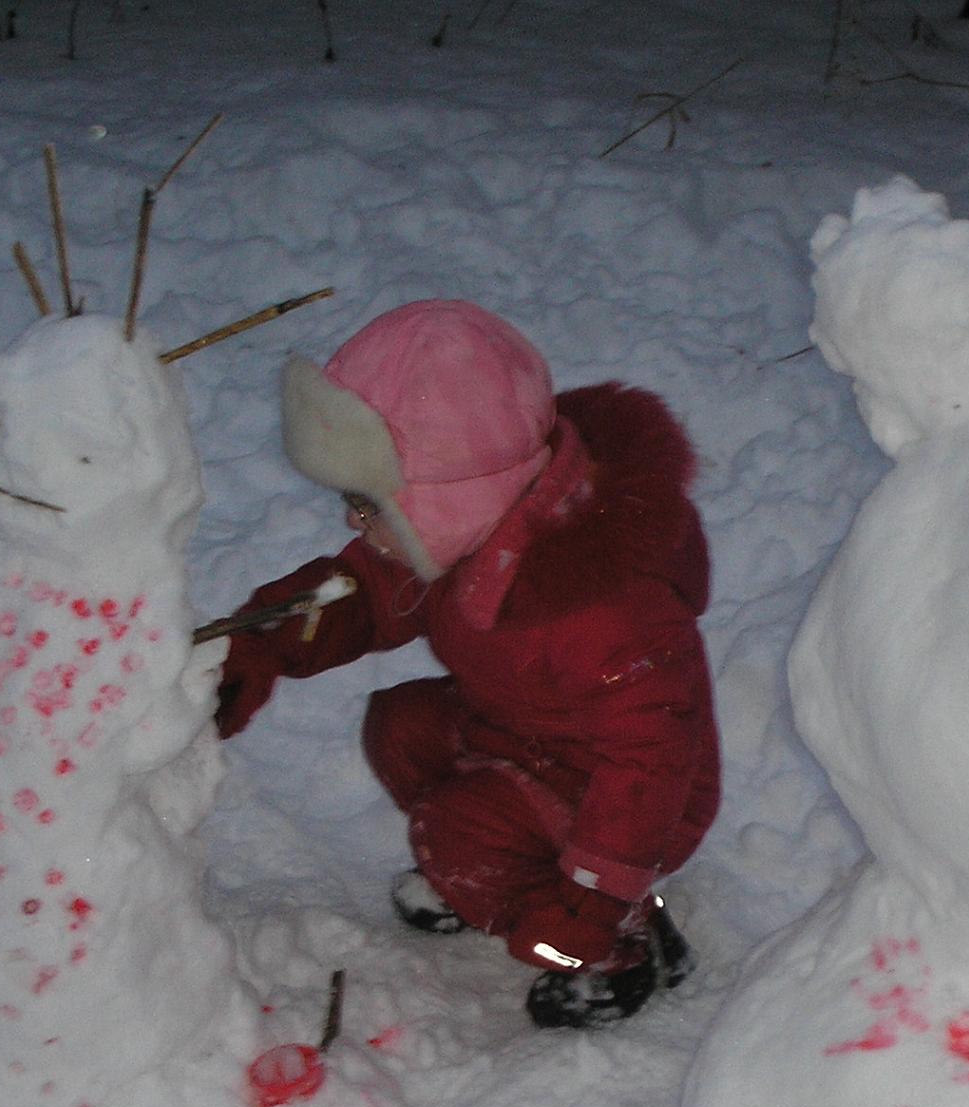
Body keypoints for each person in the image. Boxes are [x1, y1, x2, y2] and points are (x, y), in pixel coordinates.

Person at [216, 300, 719, 1029]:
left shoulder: (606, 611)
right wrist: (255, 641)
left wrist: (596, 899)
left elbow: (650, 760)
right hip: (528, 730)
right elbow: (364, 592)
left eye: (367, 503)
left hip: (633, 795)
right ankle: (497, 867)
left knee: (458, 829)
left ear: (448, 496)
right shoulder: (469, 525)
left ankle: (620, 945)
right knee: (403, 727)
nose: (352, 523)